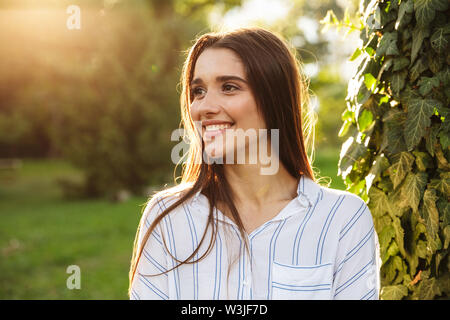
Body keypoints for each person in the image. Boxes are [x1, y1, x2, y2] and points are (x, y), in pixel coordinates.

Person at [128, 27, 381, 300]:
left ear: (273, 98)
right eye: (198, 91)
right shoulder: (167, 217)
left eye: (229, 87)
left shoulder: (343, 219)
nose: (204, 106)